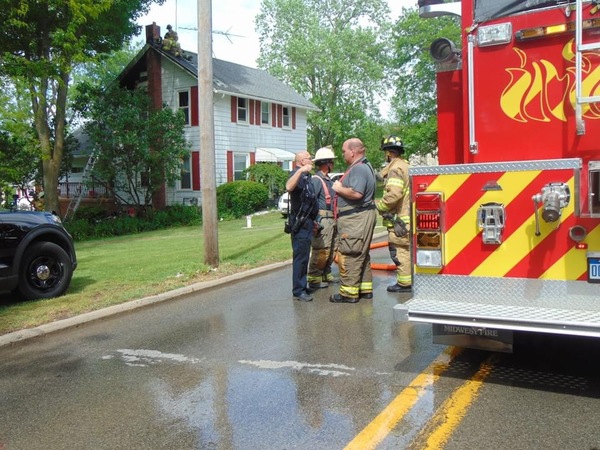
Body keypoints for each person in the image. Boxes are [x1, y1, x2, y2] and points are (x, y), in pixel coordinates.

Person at [329, 138, 377, 303]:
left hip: (356, 218)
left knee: (351, 253)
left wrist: (338, 188)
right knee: (361, 253)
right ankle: (364, 289)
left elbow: (357, 193)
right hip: (361, 216)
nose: (342, 154)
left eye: (343, 151)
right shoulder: (365, 166)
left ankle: (348, 294)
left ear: (353, 151)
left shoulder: (358, 169)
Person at [377, 135, 412, 292]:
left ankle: (404, 284)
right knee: (407, 250)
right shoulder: (405, 165)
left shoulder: (395, 169)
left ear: (389, 153)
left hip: (399, 221)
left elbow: (394, 195)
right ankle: (409, 280)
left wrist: (380, 206)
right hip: (407, 218)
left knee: (399, 251)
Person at [286, 151, 319, 302]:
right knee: (300, 257)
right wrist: (300, 171)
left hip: (308, 222)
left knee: (305, 256)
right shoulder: (296, 174)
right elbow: (288, 187)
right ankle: (298, 290)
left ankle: (303, 285)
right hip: (299, 223)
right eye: (309, 159)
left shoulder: (307, 177)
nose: (311, 161)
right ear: (301, 161)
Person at [307, 146, 338, 290]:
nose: (333, 164)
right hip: (323, 219)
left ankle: (326, 273)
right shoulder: (317, 180)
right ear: (326, 163)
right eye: (331, 162)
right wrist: (314, 221)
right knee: (321, 250)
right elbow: (310, 202)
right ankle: (314, 279)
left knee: (332, 248)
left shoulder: (328, 180)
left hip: (332, 219)